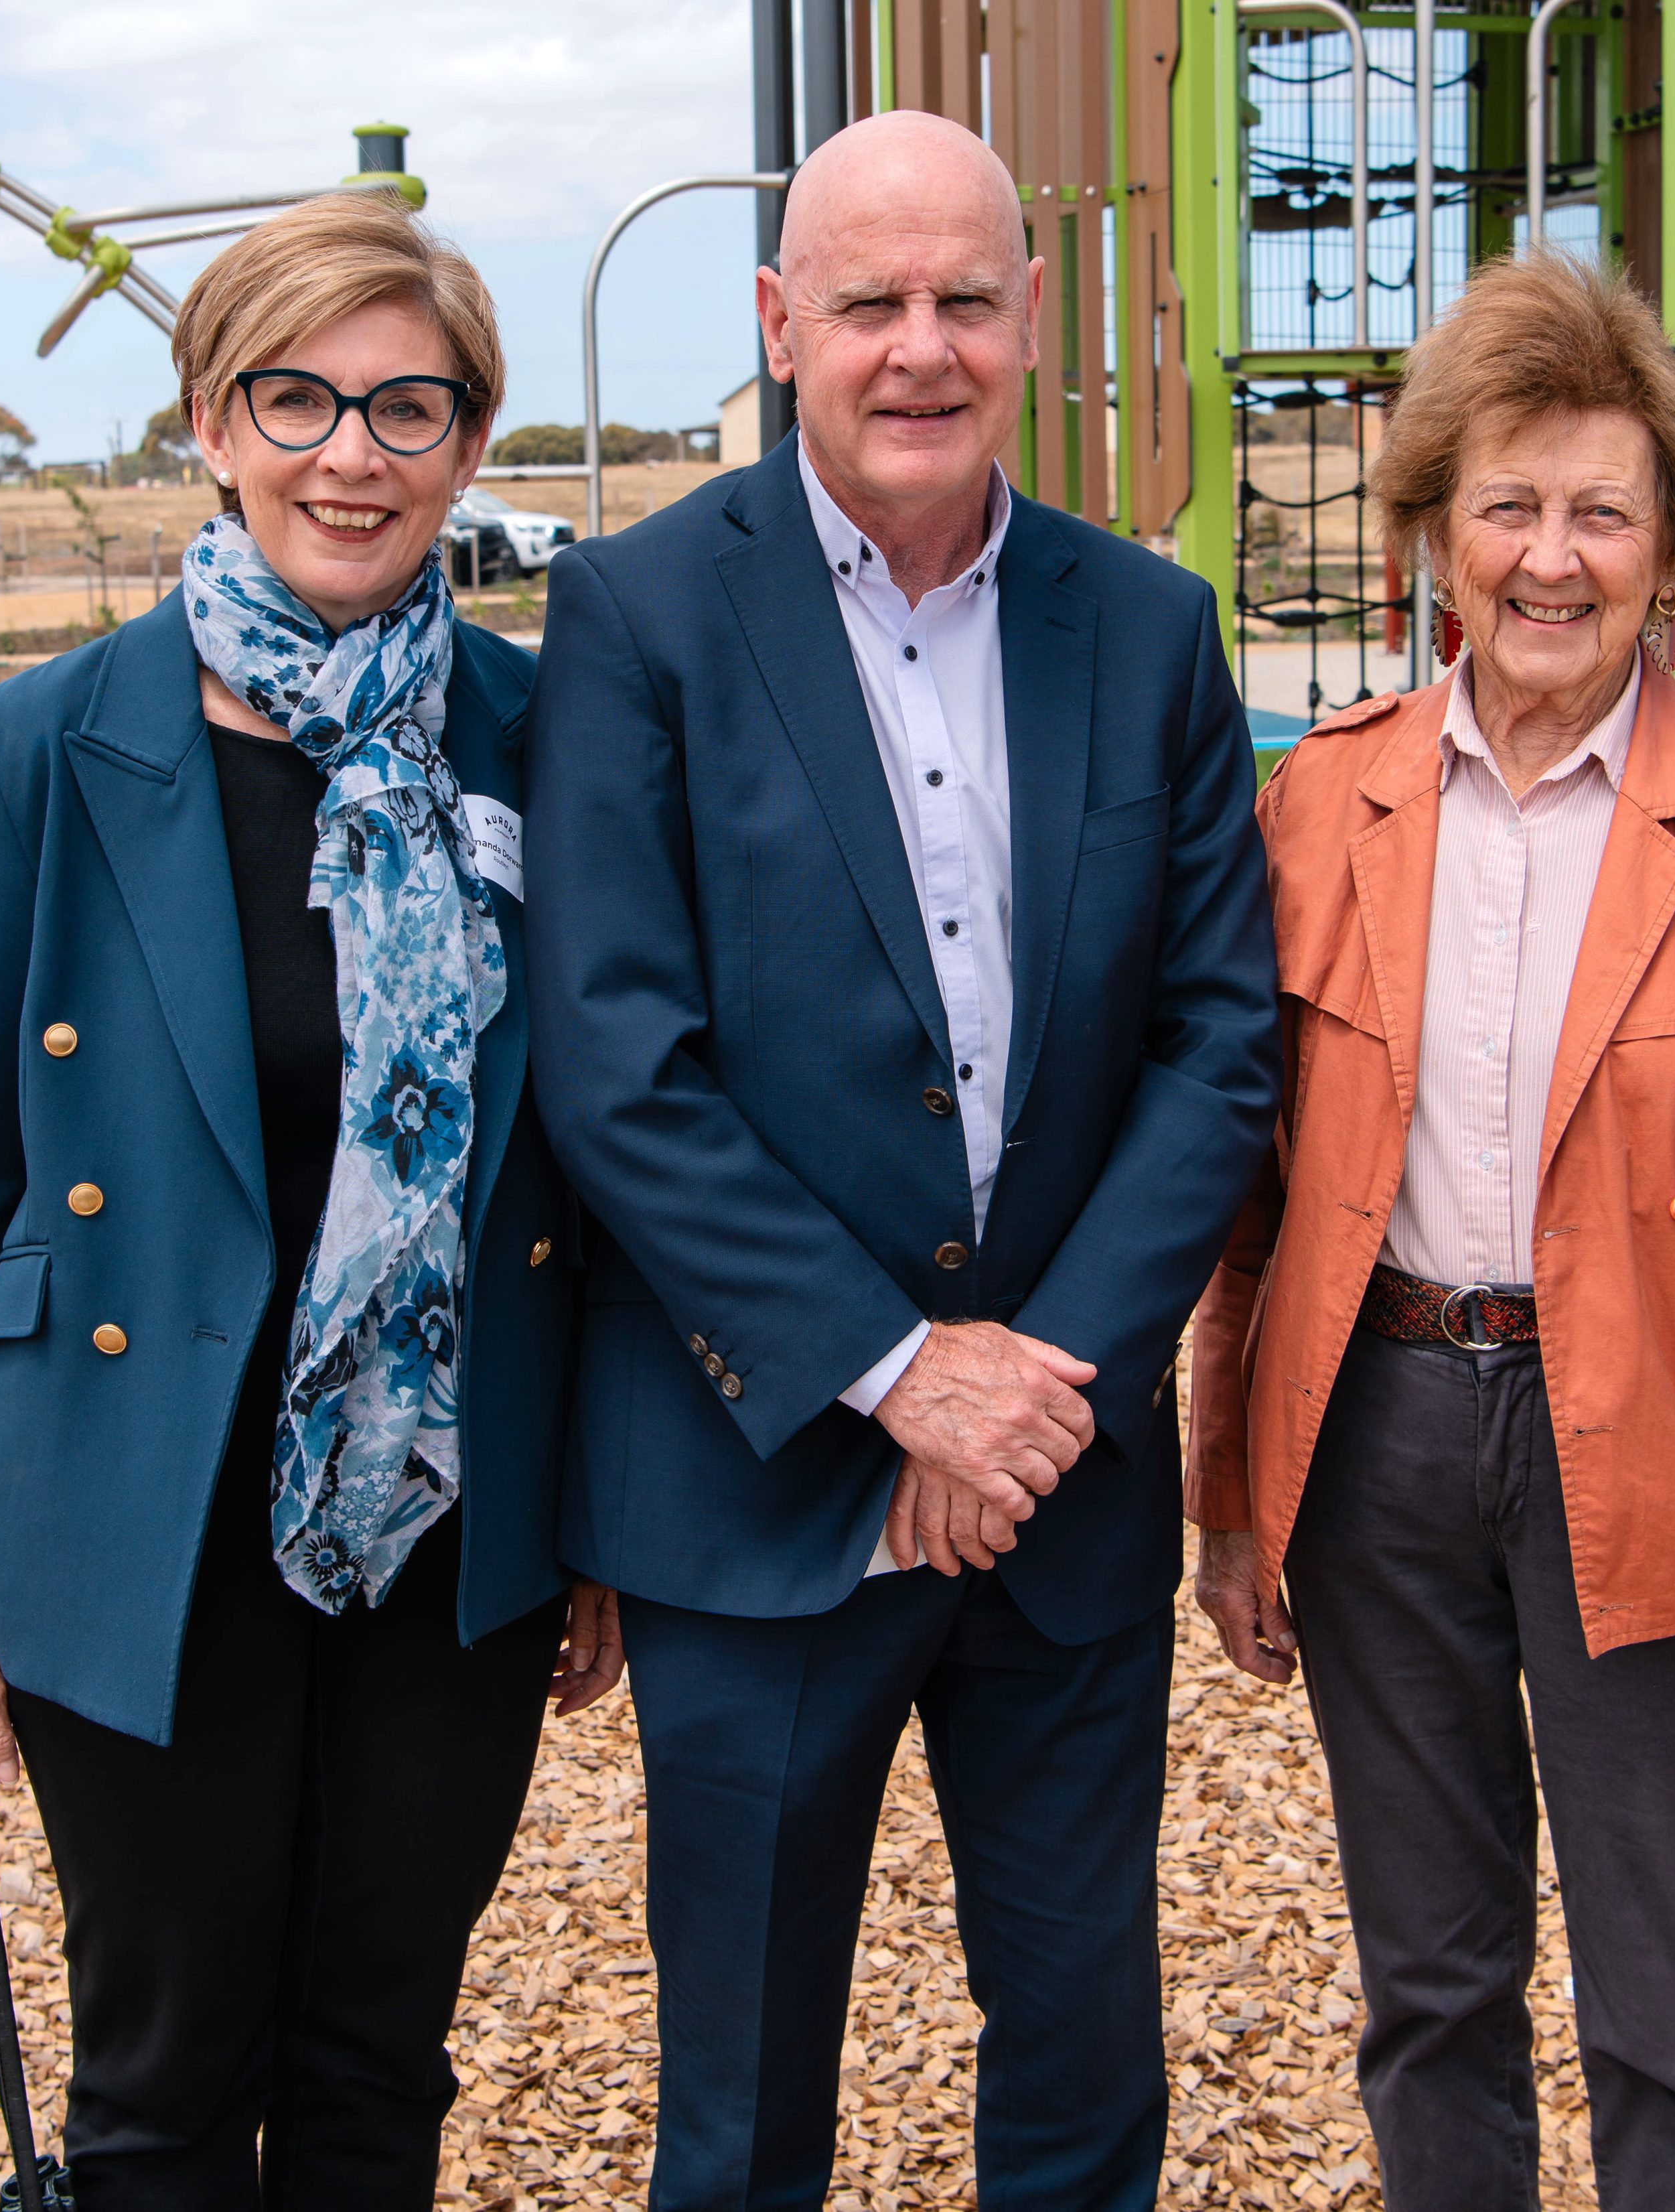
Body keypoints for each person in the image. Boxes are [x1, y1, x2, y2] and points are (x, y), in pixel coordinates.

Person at [525, 111, 1278, 2212]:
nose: (918, 347)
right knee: (743, 2105)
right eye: (869, 302)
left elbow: (1218, 1042)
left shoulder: (1145, 629)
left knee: (1079, 2069)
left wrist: (1032, 1386)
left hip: (1061, 1489)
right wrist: (893, 1370)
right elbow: (617, 1065)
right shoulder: (641, 615)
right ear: (781, 326)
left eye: (963, 297)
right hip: (756, 1498)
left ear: (1033, 318)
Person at [0, 192, 622, 2209]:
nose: (349, 454)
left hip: (444, 1509)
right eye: (293, 397)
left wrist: (600, 1516)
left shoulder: (546, 734)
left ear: (469, 447)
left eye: (407, 407)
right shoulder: (37, 750)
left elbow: (597, 1156)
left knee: (379, 2053)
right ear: (208, 423)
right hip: (140, 1501)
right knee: (166, 2073)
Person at [1185, 252, 1675, 2209]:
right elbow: (1250, 1210)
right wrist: (1230, 1495)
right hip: (1379, 1449)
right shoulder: (1323, 805)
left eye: (1598, 511)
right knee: (1428, 1992)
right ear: (1434, 530)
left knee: (1672, 2020)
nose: (1547, 558)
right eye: (1505, 506)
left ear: (1665, 542)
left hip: (1666, 1454)